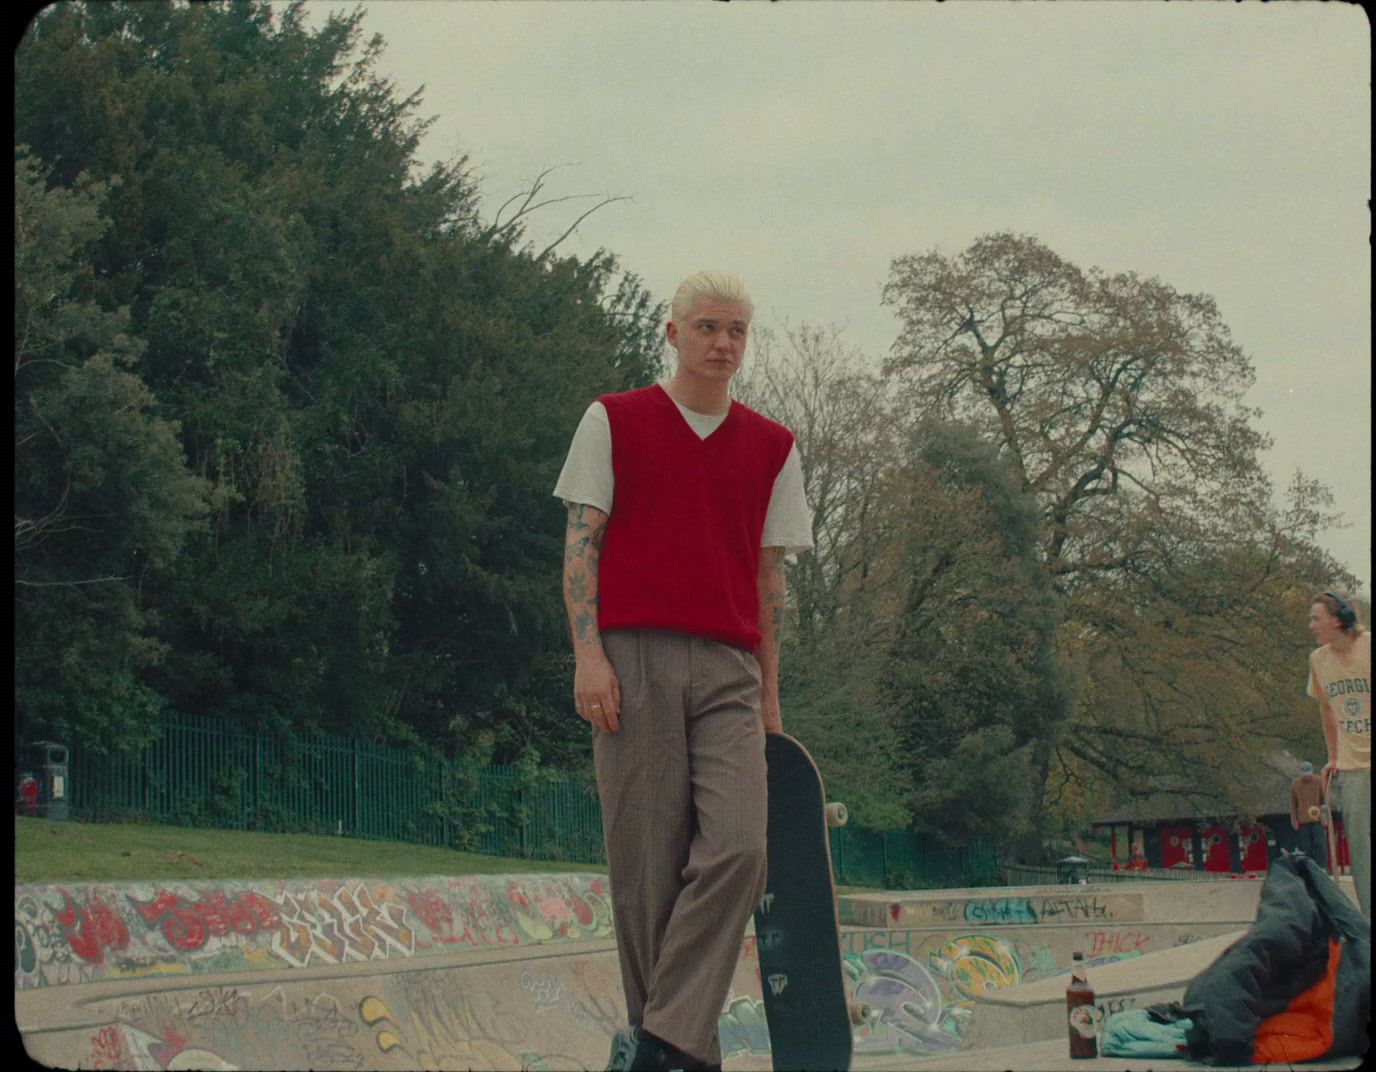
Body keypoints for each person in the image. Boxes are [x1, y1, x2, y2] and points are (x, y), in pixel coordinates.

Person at [555, 271, 812, 1072]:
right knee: (646, 870)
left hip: (731, 669)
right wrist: (588, 655)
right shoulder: (614, 420)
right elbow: (580, 545)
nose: (724, 343)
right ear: (673, 334)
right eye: (707, 327)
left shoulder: (773, 447)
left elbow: (771, 585)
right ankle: (678, 1052)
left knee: (740, 846)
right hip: (632, 661)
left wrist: (771, 698)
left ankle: (660, 1044)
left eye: (738, 330)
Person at [1307, 590, 1371, 917]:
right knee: (1362, 853)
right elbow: (1327, 710)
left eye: (1316, 618)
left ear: (1336, 619)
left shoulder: (1368, 646)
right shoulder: (1319, 660)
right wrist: (1333, 755)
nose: (1312, 625)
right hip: (1353, 767)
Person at [1288, 760, 1328, 864]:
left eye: (1308, 774)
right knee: (1306, 847)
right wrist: (1294, 820)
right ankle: (1309, 867)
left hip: (1318, 819)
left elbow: (1326, 799)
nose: (1307, 777)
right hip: (1303, 820)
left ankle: (1321, 867)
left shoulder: (1319, 780)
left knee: (1319, 844)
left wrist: (1325, 814)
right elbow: (1293, 804)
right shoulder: (1295, 784)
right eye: (1304, 774)